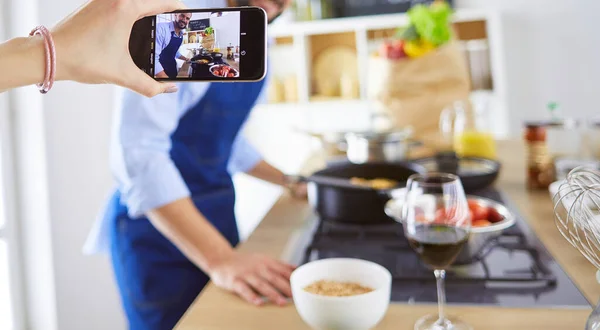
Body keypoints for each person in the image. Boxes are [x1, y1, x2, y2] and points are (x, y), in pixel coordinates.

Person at [82, 0, 297, 329]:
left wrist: (289, 180)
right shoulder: (185, 21)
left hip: (216, 222)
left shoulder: (254, 34)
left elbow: (225, 136)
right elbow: (139, 153)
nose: (274, 5)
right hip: (159, 237)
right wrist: (221, 259)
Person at [0, 0, 187, 96]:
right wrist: (59, 50)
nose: (185, 20)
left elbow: (175, 52)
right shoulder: (164, 29)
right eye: (184, 18)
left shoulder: (178, 35)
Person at [155, 12, 192, 79]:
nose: (184, 20)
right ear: (175, 15)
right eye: (182, 16)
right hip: (160, 71)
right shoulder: (161, 29)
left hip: (172, 68)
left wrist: (186, 59)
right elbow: (153, 58)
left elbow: (174, 52)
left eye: (187, 18)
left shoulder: (181, 35)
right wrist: (165, 79)